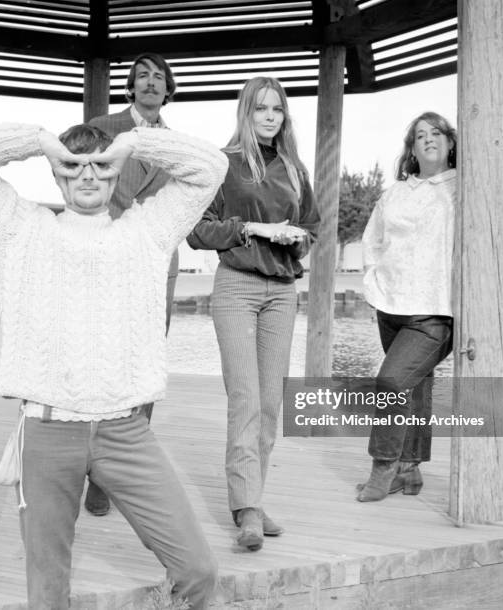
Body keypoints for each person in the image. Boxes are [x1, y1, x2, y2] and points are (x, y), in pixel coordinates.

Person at [0, 122, 227, 609]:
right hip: (47, 432)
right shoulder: (22, 228)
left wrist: (135, 143)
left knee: (198, 570)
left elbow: (210, 168)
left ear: (116, 174)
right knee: (48, 593)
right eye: (74, 168)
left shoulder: (149, 231)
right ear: (57, 175)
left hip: (126, 432)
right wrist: (38, 141)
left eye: (100, 166)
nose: (88, 177)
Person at [357, 111, 503, 502]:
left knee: (391, 383)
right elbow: (373, 242)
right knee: (413, 387)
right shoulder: (394, 192)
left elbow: (499, 233)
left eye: (436, 133)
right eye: (419, 135)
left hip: (434, 312)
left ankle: (382, 467)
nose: (428, 139)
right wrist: (372, 285)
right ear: (412, 150)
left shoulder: (464, 187)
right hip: (390, 306)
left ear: (450, 143)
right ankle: (409, 471)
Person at [187, 77, 320, 551]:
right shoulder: (223, 164)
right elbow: (197, 231)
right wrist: (254, 228)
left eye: (277, 109)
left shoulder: (294, 167)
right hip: (237, 288)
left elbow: (312, 227)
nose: (269, 116)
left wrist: (296, 238)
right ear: (246, 112)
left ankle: (253, 498)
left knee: (268, 405)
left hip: (283, 292)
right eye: (261, 108)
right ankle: (245, 509)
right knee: (245, 399)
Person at [85, 52, 177, 516]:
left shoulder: (177, 144)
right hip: (108, 252)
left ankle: (127, 470)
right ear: (130, 87)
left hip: (157, 259)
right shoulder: (104, 125)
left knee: (145, 361)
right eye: (142, 76)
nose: (150, 83)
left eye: (159, 78)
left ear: (168, 89)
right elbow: (80, 175)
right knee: (103, 354)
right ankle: (97, 471)